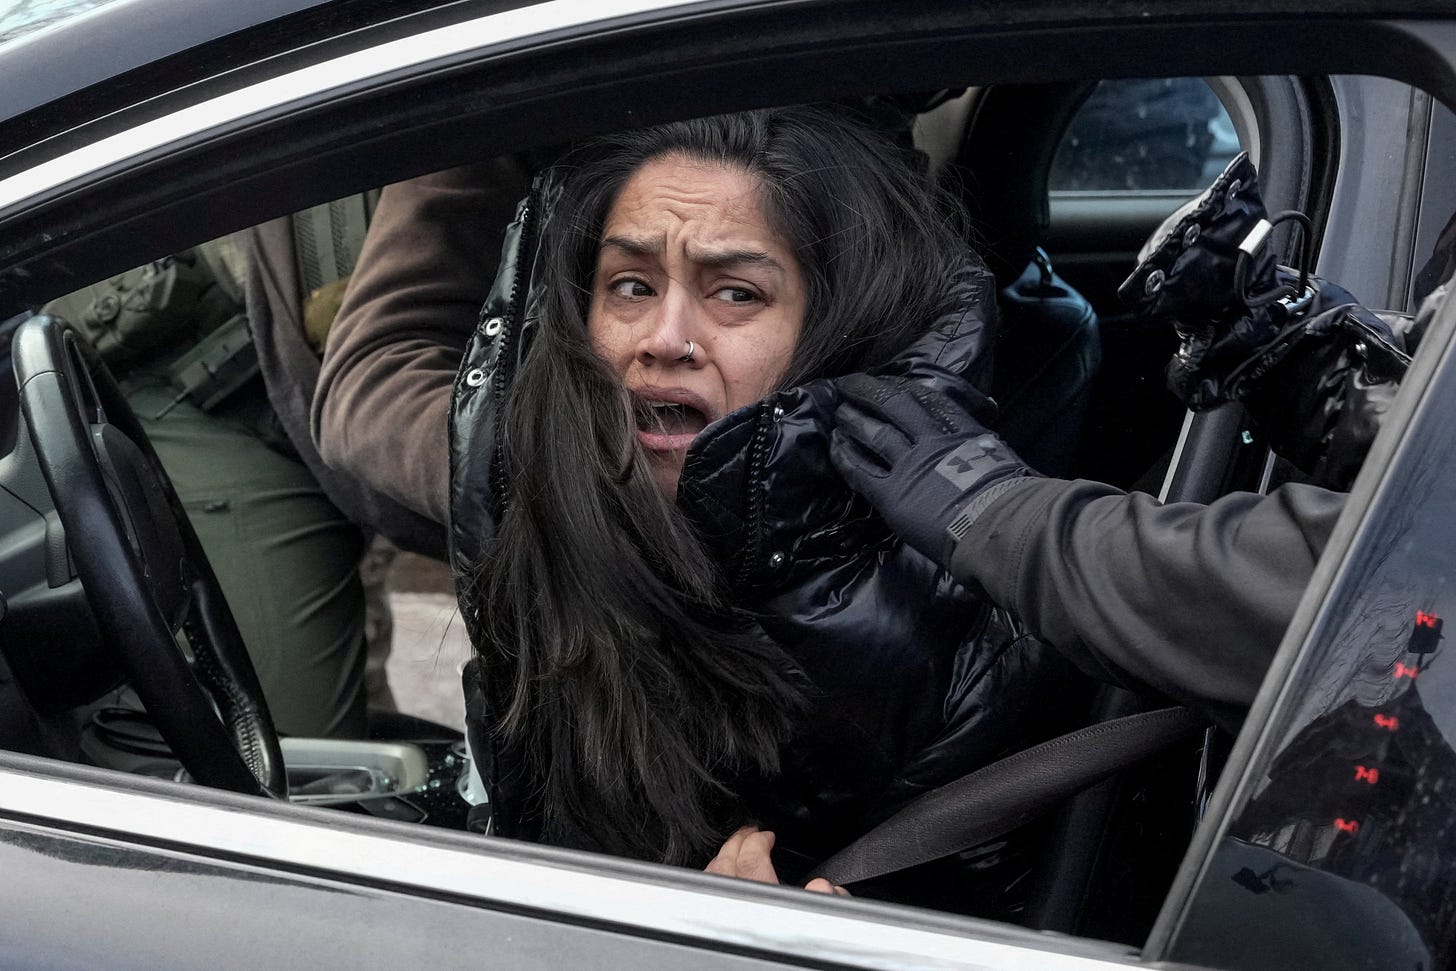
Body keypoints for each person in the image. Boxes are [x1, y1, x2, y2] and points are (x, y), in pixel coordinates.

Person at [317, 105, 1093, 915]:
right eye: (631, 285)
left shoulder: (962, 650)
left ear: (837, 334)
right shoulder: (552, 541)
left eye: (735, 293)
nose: (664, 336)